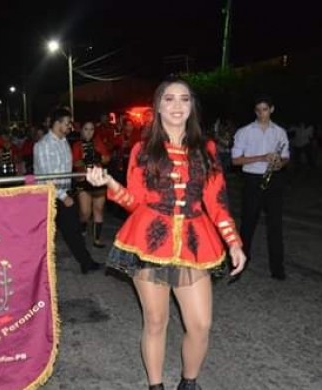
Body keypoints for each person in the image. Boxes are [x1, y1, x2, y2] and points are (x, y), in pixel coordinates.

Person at [86, 80, 246, 390]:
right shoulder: (143, 150)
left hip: (195, 242)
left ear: (191, 107)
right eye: (169, 99)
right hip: (149, 241)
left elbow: (218, 202)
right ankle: (155, 386)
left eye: (184, 99)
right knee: (156, 321)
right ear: (158, 107)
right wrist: (109, 184)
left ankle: (188, 383)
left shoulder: (207, 149)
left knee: (200, 324)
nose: (176, 105)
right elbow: (134, 201)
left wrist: (234, 242)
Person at [34, 108, 103, 274]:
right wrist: (63, 196)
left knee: (73, 231)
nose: (69, 127)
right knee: (42, 235)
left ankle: (85, 262)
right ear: (57, 124)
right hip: (49, 196)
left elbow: (67, 170)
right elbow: (46, 176)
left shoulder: (64, 141)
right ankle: (34, 271)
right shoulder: (42, 145)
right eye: (67, 123)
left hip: (65, 193)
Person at [232, 96, 290, 280]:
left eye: (265, 109)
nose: (261, 113)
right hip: (252, 180)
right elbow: (235, 160)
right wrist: (261, 157)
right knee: (248, 224)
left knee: (275, 225)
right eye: (258, 110)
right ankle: (240, 264)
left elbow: (286, 155)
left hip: (274, 179)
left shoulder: (280, 132)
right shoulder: (244, 132)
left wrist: (280, 163)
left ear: (271, 109)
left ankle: (277, 269)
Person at [72, 121, 111, 247]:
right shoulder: (77, 145)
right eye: (86, 129)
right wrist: (84, 160)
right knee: (85, 212)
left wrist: (98, 157)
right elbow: (74, 164)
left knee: (98, 209)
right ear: (81, 130)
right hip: (82, 181)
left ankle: (97, 240)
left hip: (98, 180)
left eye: (91, 129)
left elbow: (107, 158)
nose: (89, 132)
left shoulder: (98, 143)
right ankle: (82, 227)